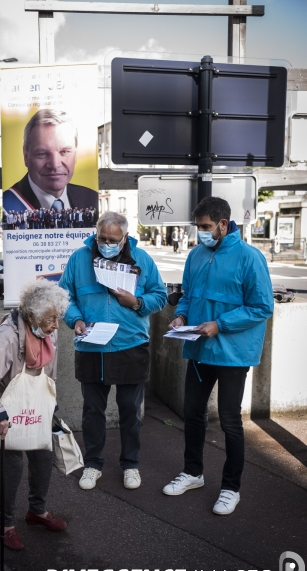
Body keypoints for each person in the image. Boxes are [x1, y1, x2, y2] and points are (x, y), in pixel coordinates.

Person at [163, 197, 273, 515]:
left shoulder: (250, 258)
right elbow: (187, 295)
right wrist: (181, 317)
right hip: (199, 348)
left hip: (233, 354)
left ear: (223, 225)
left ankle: (230, 488)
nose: (201, 233)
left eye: (206, 227)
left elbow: (262, 307)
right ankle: (193, 473)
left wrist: (220, 324)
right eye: (198, 227)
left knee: (229, 421)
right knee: (193, 413)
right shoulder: (196, 255)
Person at [59, 211, 167, 491]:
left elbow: (160, 296)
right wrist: (76, 319)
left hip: (130, 344)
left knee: (131, 410)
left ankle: (130, 464)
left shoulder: (142, 260)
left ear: (125, 238)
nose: (105, 243)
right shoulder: (79, 258)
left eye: (112, 239)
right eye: (101, 237)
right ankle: (93, 464)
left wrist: (136, 302)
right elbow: (64, 296)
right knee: (92, 410)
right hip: (91, 344)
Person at [0, 279, 70, 550]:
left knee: (44, 458)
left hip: (35, 406)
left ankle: (36, 511)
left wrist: (50, 404)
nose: (56, 325)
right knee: (9, 469)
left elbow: (48, 372)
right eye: (51, 319)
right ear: (33, 315)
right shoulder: (6, 338)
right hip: (4, 410)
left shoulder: (47, 331)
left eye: (58, 318)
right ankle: (6, 523)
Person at [3, 109, 98, 219]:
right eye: (42, 153)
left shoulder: (91, 198)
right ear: (26, 156)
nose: (55, 164)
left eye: (65, 152)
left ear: (76, 155)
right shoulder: (8, 203)